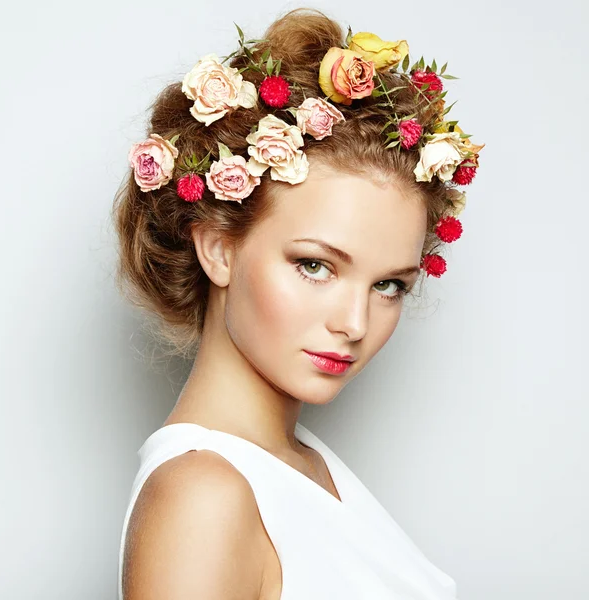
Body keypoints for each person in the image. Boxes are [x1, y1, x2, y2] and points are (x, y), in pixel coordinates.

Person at [113, 7, 484, 600]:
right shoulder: (203, 497)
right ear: (218, 250)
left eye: (389, 285)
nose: (354, 323)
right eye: (315, 266)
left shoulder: (301, 465)